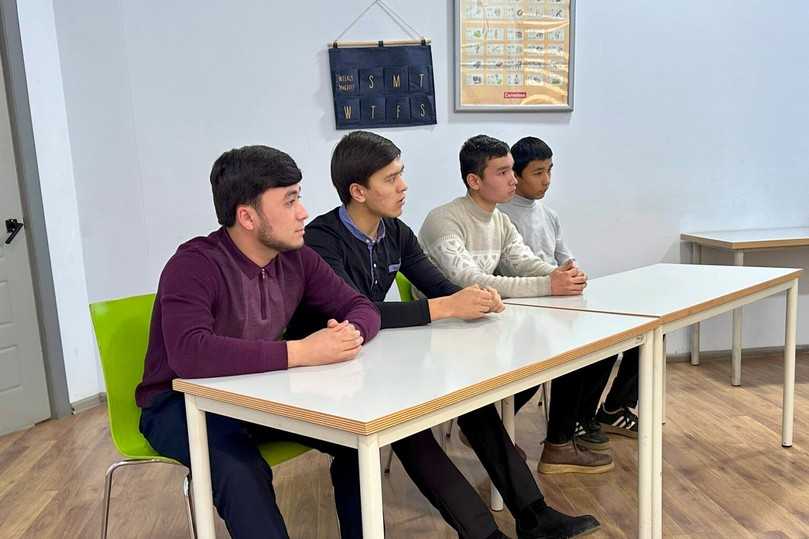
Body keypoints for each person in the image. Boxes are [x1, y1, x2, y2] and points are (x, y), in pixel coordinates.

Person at [287, 130, 600, 539]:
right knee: (411, 425)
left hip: (375, 357)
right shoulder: (321, 240)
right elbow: (354, 312)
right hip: (323, 369)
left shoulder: (395, 231)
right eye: (391, 179)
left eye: (402, 174)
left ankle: (534, 514)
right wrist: (445, 306)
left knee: (472, 401)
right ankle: (482, 533)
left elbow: (439, 287)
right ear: (358, 191)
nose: (403, 186)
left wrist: (475, 299)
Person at [135, 145, 381, 539]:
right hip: (177, 403)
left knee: (355, 441)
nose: (303, 212)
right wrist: (303, 351)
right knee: (240, 470)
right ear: (247, 217)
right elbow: (191, 353)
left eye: (299, 197)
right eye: (290, 201)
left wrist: (348, 335)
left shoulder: (296, 256)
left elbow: (360, 306)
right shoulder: (194, 264)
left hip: (260, 394)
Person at [418, 134, 613, 475]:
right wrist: (548, 285)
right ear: (474, 181)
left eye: (512, 171)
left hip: (484, 321)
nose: (512, 180)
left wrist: (559, 274)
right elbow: (470, 280)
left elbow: (522, 261)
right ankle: (485, 425)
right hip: (444, 332)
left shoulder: (500, 220)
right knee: (548, 351)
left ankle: (554, 443)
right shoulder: (444, 220)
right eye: (503, 172)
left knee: (572, 348)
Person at [500, 136, 638, 442]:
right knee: (580, 347)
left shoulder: (549, 215)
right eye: (537, 172)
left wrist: (575, 275)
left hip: (558, 301)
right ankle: (571, 421)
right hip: (527, 308)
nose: (546, 180)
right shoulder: (502, 217)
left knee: (622, 337)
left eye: (550, 170)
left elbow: (567, 260)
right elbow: (510, 271)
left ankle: (600, 412)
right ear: (516, 175)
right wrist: (557, 280)